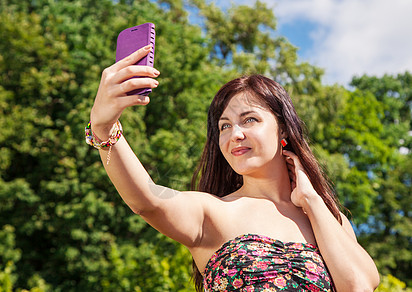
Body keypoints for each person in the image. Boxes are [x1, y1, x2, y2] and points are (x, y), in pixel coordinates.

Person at [88, 45, 380, 291]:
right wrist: (103, 128)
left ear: (284, 131)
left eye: (250, 120)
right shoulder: (212, 212)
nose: (234, 134)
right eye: (224, 126)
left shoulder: (329, 217)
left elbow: (359, 286)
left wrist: (312, 201)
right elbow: (147, 200)